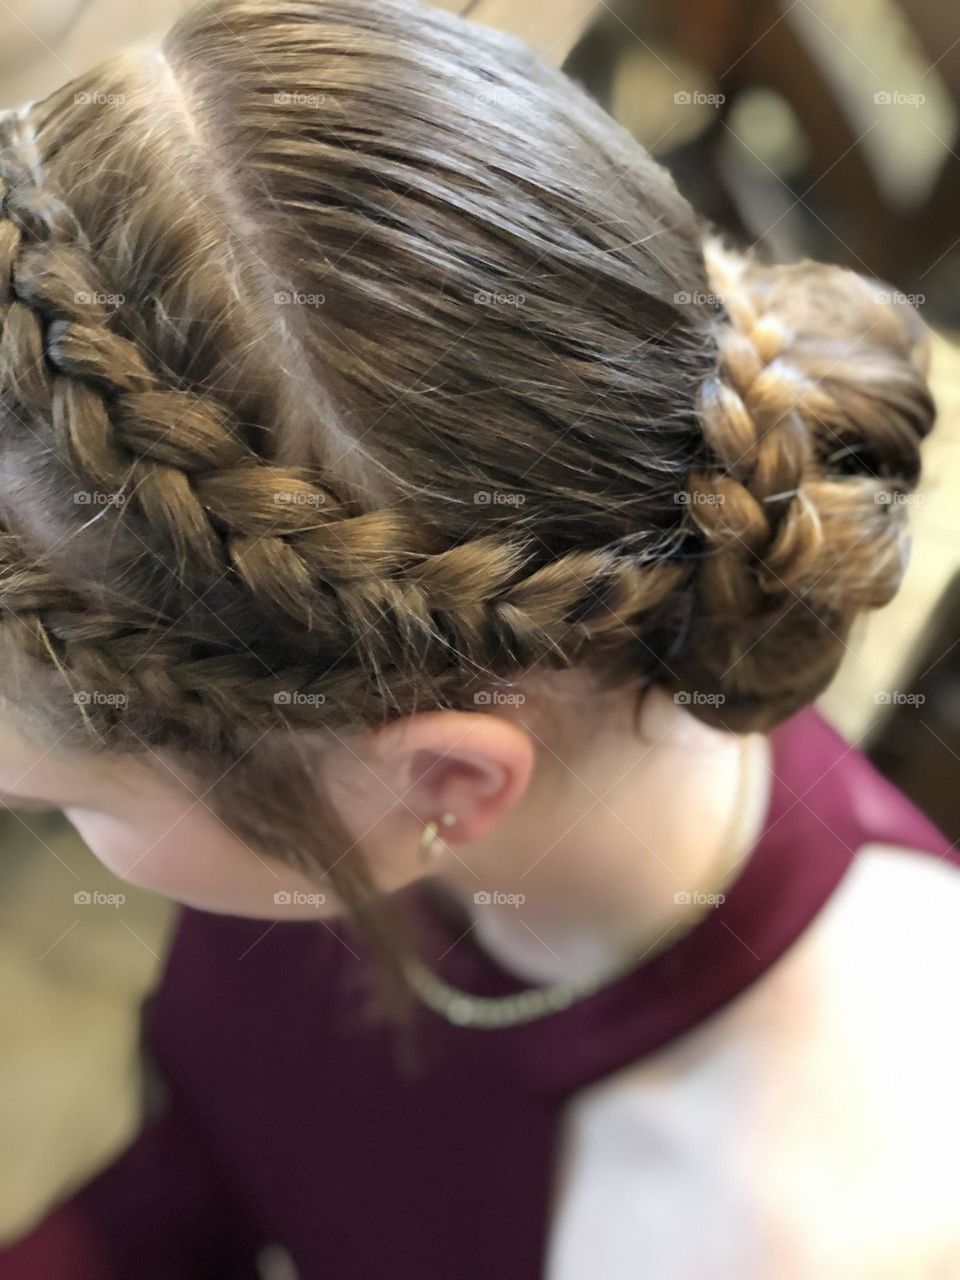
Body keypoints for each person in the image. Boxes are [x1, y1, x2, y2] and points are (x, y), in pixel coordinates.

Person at [0, 1, 958, 1275]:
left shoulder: (787, 1231)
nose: (74, 840)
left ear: (440, 782)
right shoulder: (327, 722)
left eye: (58, 801)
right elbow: (225, 1148)